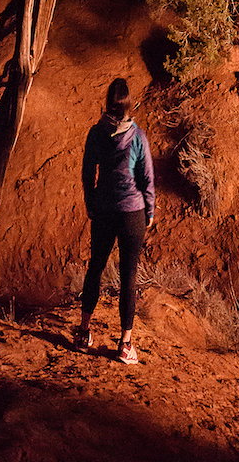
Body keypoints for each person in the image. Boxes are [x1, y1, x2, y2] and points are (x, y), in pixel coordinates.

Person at [74, 76, 155, 365]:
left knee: (95, 267)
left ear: (108, 103)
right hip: (132, 213)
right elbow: (147, 178)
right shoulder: (137, 136)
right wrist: (150, 212)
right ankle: (125, 345)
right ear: (128, 103)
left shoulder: (96, 134)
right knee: (128, 277)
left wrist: (91, 204)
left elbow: (87, 174)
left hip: (104, 211)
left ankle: (83, 333)